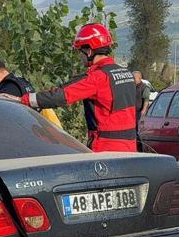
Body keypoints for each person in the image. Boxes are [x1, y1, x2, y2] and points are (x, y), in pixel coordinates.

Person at [12, 23, 136, 152]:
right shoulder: (126, 73)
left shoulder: (97, 77)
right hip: (130, 147)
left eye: (80, 51)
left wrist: (23, 100)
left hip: (106, 149)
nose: (80, 56)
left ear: (89, 51)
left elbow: (60, 96)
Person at [134, 71, 151, 151]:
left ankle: (140, 148)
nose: (132, 79)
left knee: (138, 131)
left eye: (134, 78)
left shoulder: (144, 87)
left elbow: (146, 99)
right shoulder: (132, 86)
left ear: (139, 78)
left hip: (139, 112)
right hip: (132, 112)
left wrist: (144, 110)